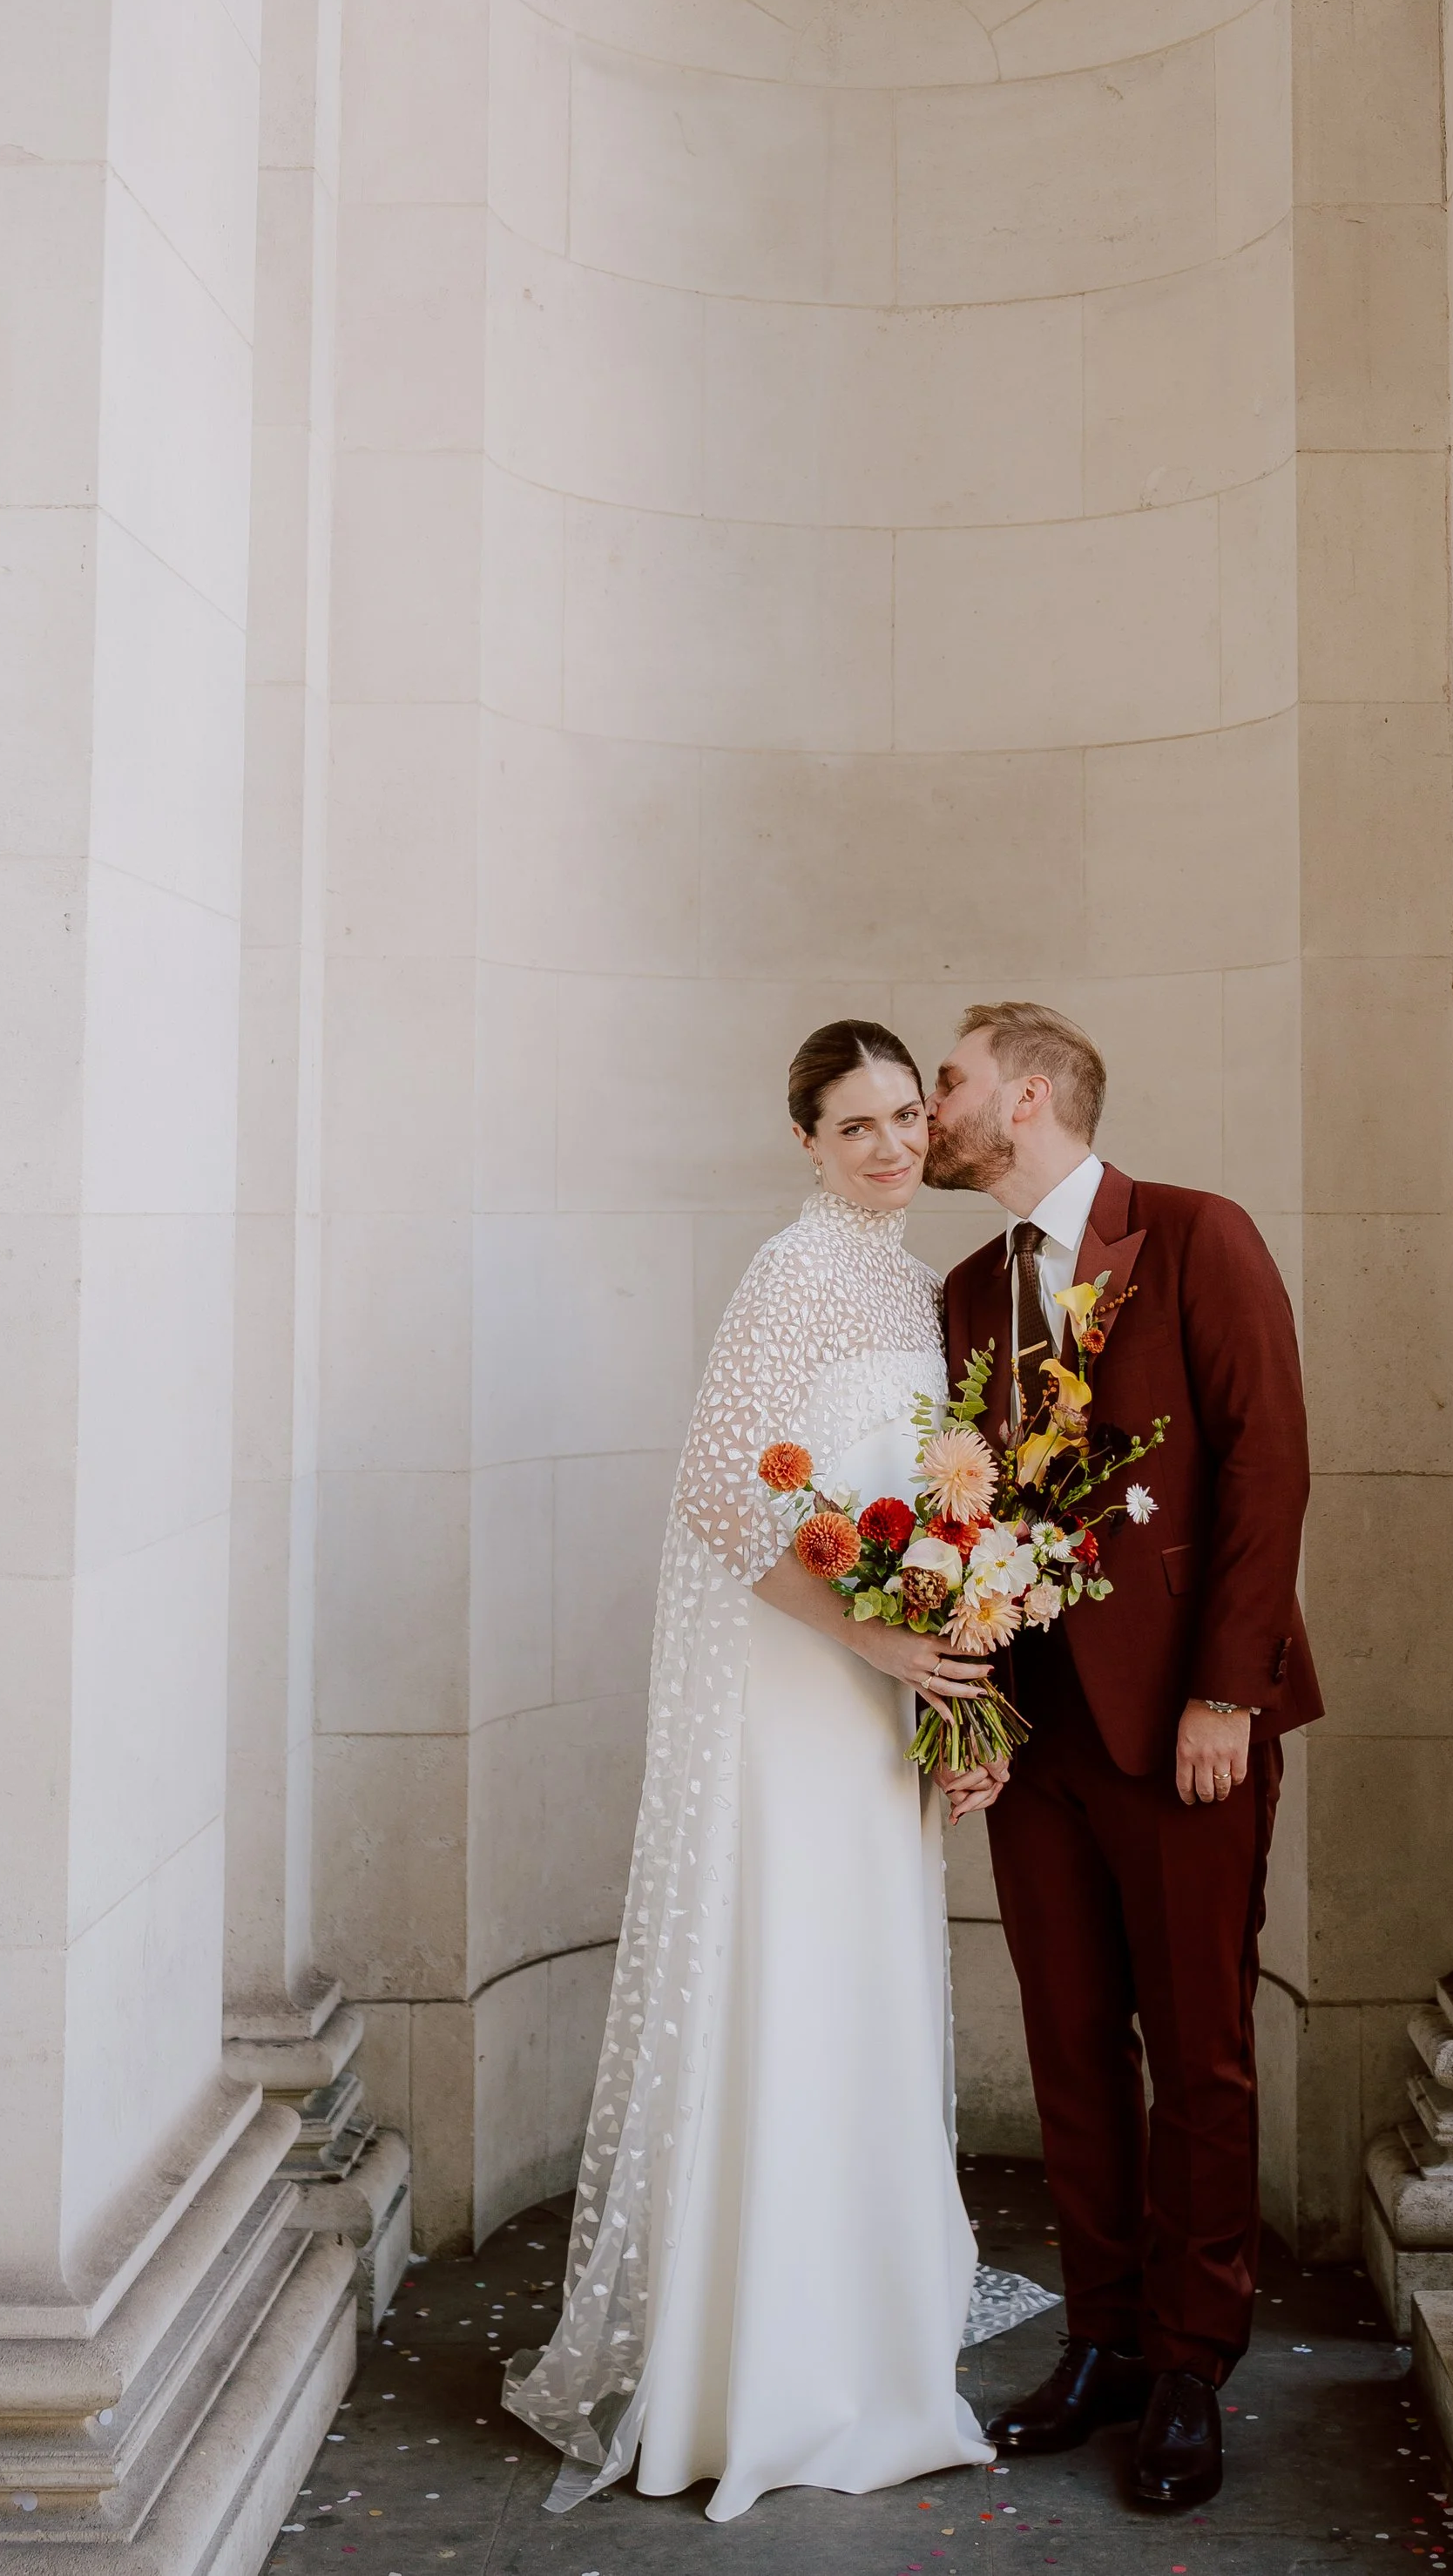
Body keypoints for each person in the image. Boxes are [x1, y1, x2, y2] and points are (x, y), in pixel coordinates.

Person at [506, 1022, 998, 2520]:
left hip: (881, 1679)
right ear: (805, 1140)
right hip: (804, 1680)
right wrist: (877, 1640)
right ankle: (771, 2356)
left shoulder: (918, 1286)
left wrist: (944, 1677)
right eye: (856, 1126)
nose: (893, 1146)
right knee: (798, 1964)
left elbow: (939, 1505)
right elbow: (721, 1493)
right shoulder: (791, 1276)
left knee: (869, 1974)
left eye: (910, 1115)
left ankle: (867, 2320)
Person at [925, 1000, 1321, 2515]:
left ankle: (1188, 2367)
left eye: (949, 1081)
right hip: (1034, 1745)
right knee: (1074, 2047)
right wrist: (964, 1721)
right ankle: (1097, 2334)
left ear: (1027, 1097)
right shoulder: (968, 1288)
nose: (934, 1107)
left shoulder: (1194, 1236)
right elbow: (957, 1526)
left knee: (1202, 2052)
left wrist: (1228, 1692)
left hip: (1182, 1738)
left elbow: (1267, 1462)